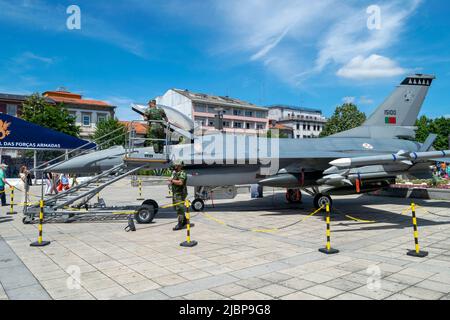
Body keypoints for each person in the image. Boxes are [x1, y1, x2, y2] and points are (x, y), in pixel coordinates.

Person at [169, 161, 188, 231]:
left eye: (176, 165)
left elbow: (180, 182)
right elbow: (172, 180)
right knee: (178, 207)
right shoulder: (175, 173)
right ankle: (185, 220)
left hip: (180, 193)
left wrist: (172, 181)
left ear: (180, 166)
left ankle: (180, 223)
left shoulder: (182, 173)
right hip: (176, 193)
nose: (175, 167)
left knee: (179, 208)